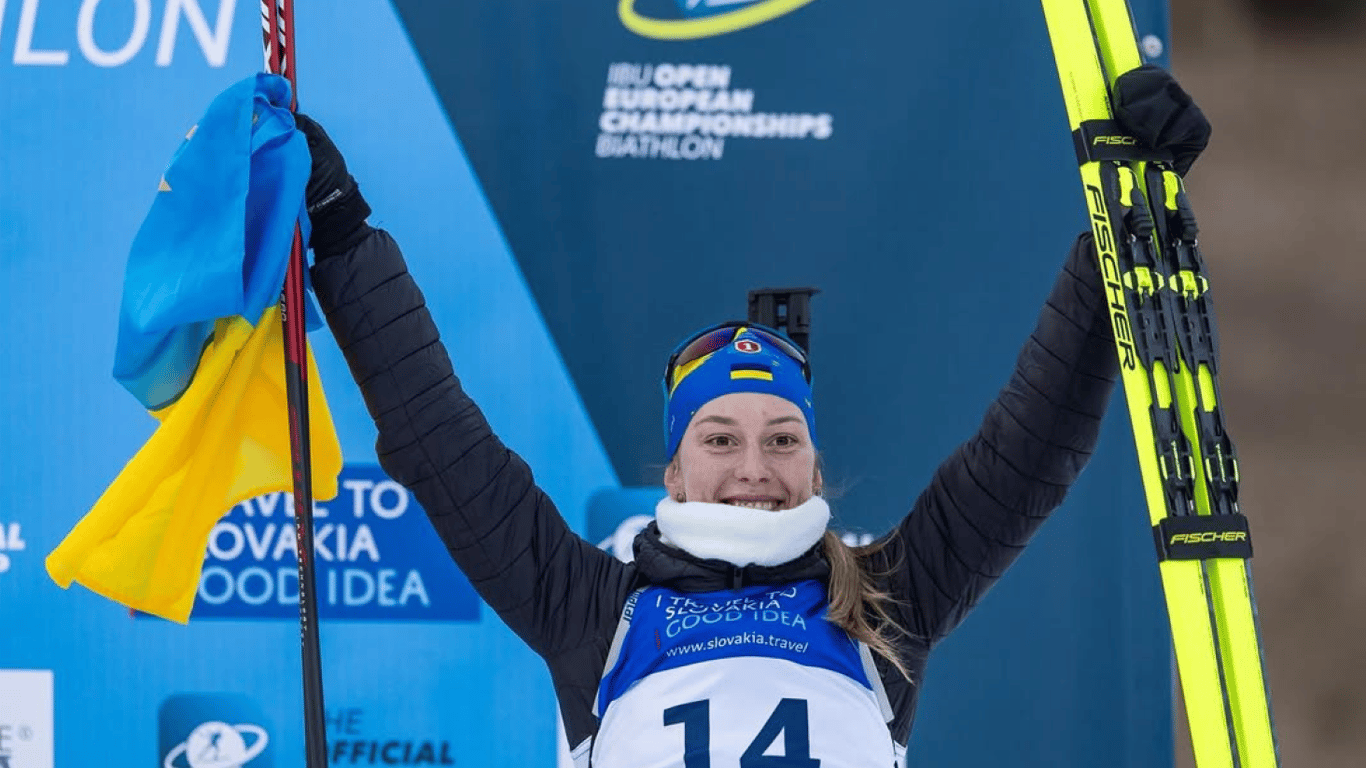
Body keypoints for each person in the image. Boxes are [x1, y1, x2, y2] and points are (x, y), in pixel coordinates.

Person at [297, 65, 1210, 767]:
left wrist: (1127, 224)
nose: (753, 468)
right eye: (719, 439)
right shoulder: (594, 614)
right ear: (674, 472)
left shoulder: (888, 603)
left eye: (781, 439)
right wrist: (340, 233)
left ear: (814, 463)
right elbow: (438, 440)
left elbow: (1031, 446)